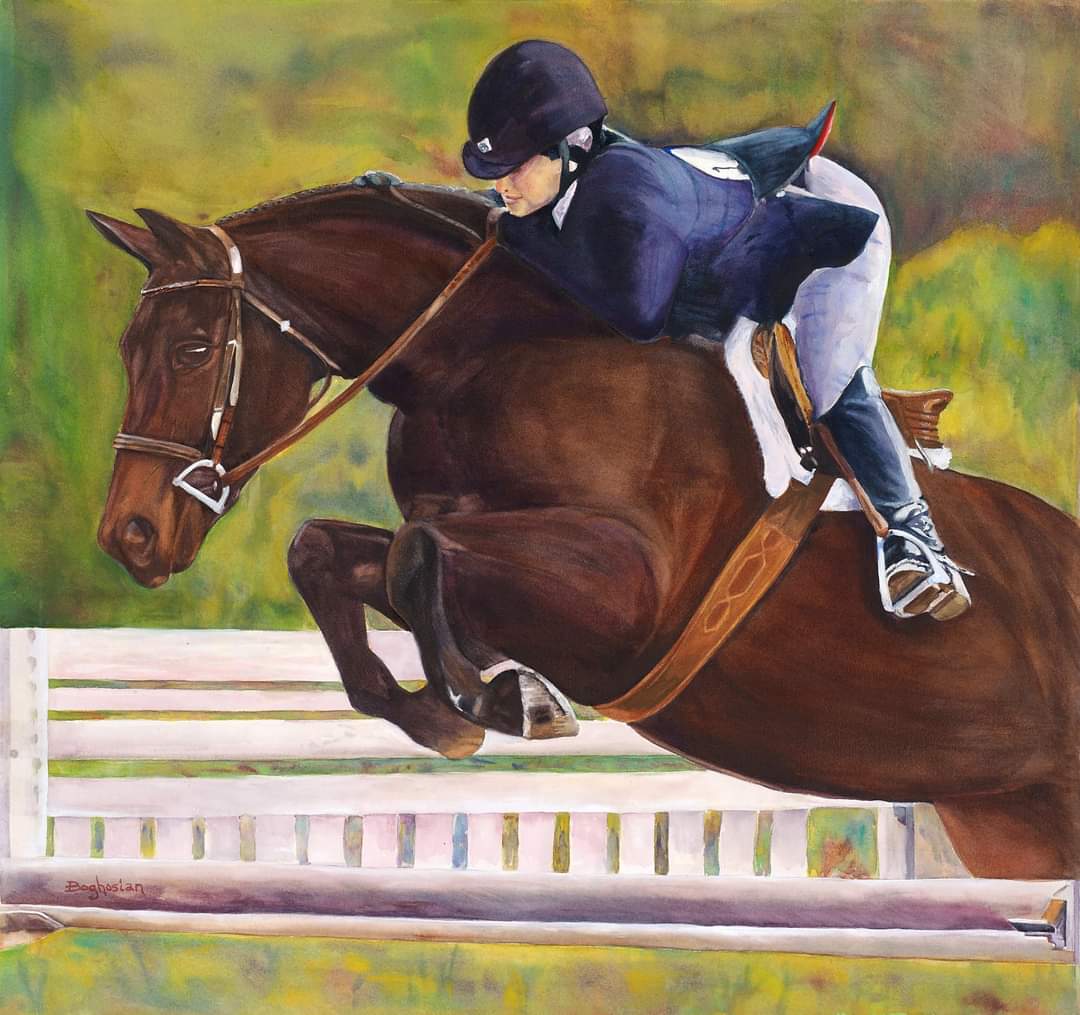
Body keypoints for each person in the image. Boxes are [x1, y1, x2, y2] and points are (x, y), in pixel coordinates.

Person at [461, 40, 971, 621]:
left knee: (829, 379)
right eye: (495, 172)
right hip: (739, 207)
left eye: (515, 168)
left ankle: (913, 537)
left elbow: (640, 317)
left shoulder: (628, 193)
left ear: (573, 147)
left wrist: (516, 236)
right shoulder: (572, 181)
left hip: (825, 225)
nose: (503, 186)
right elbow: (504, 218)